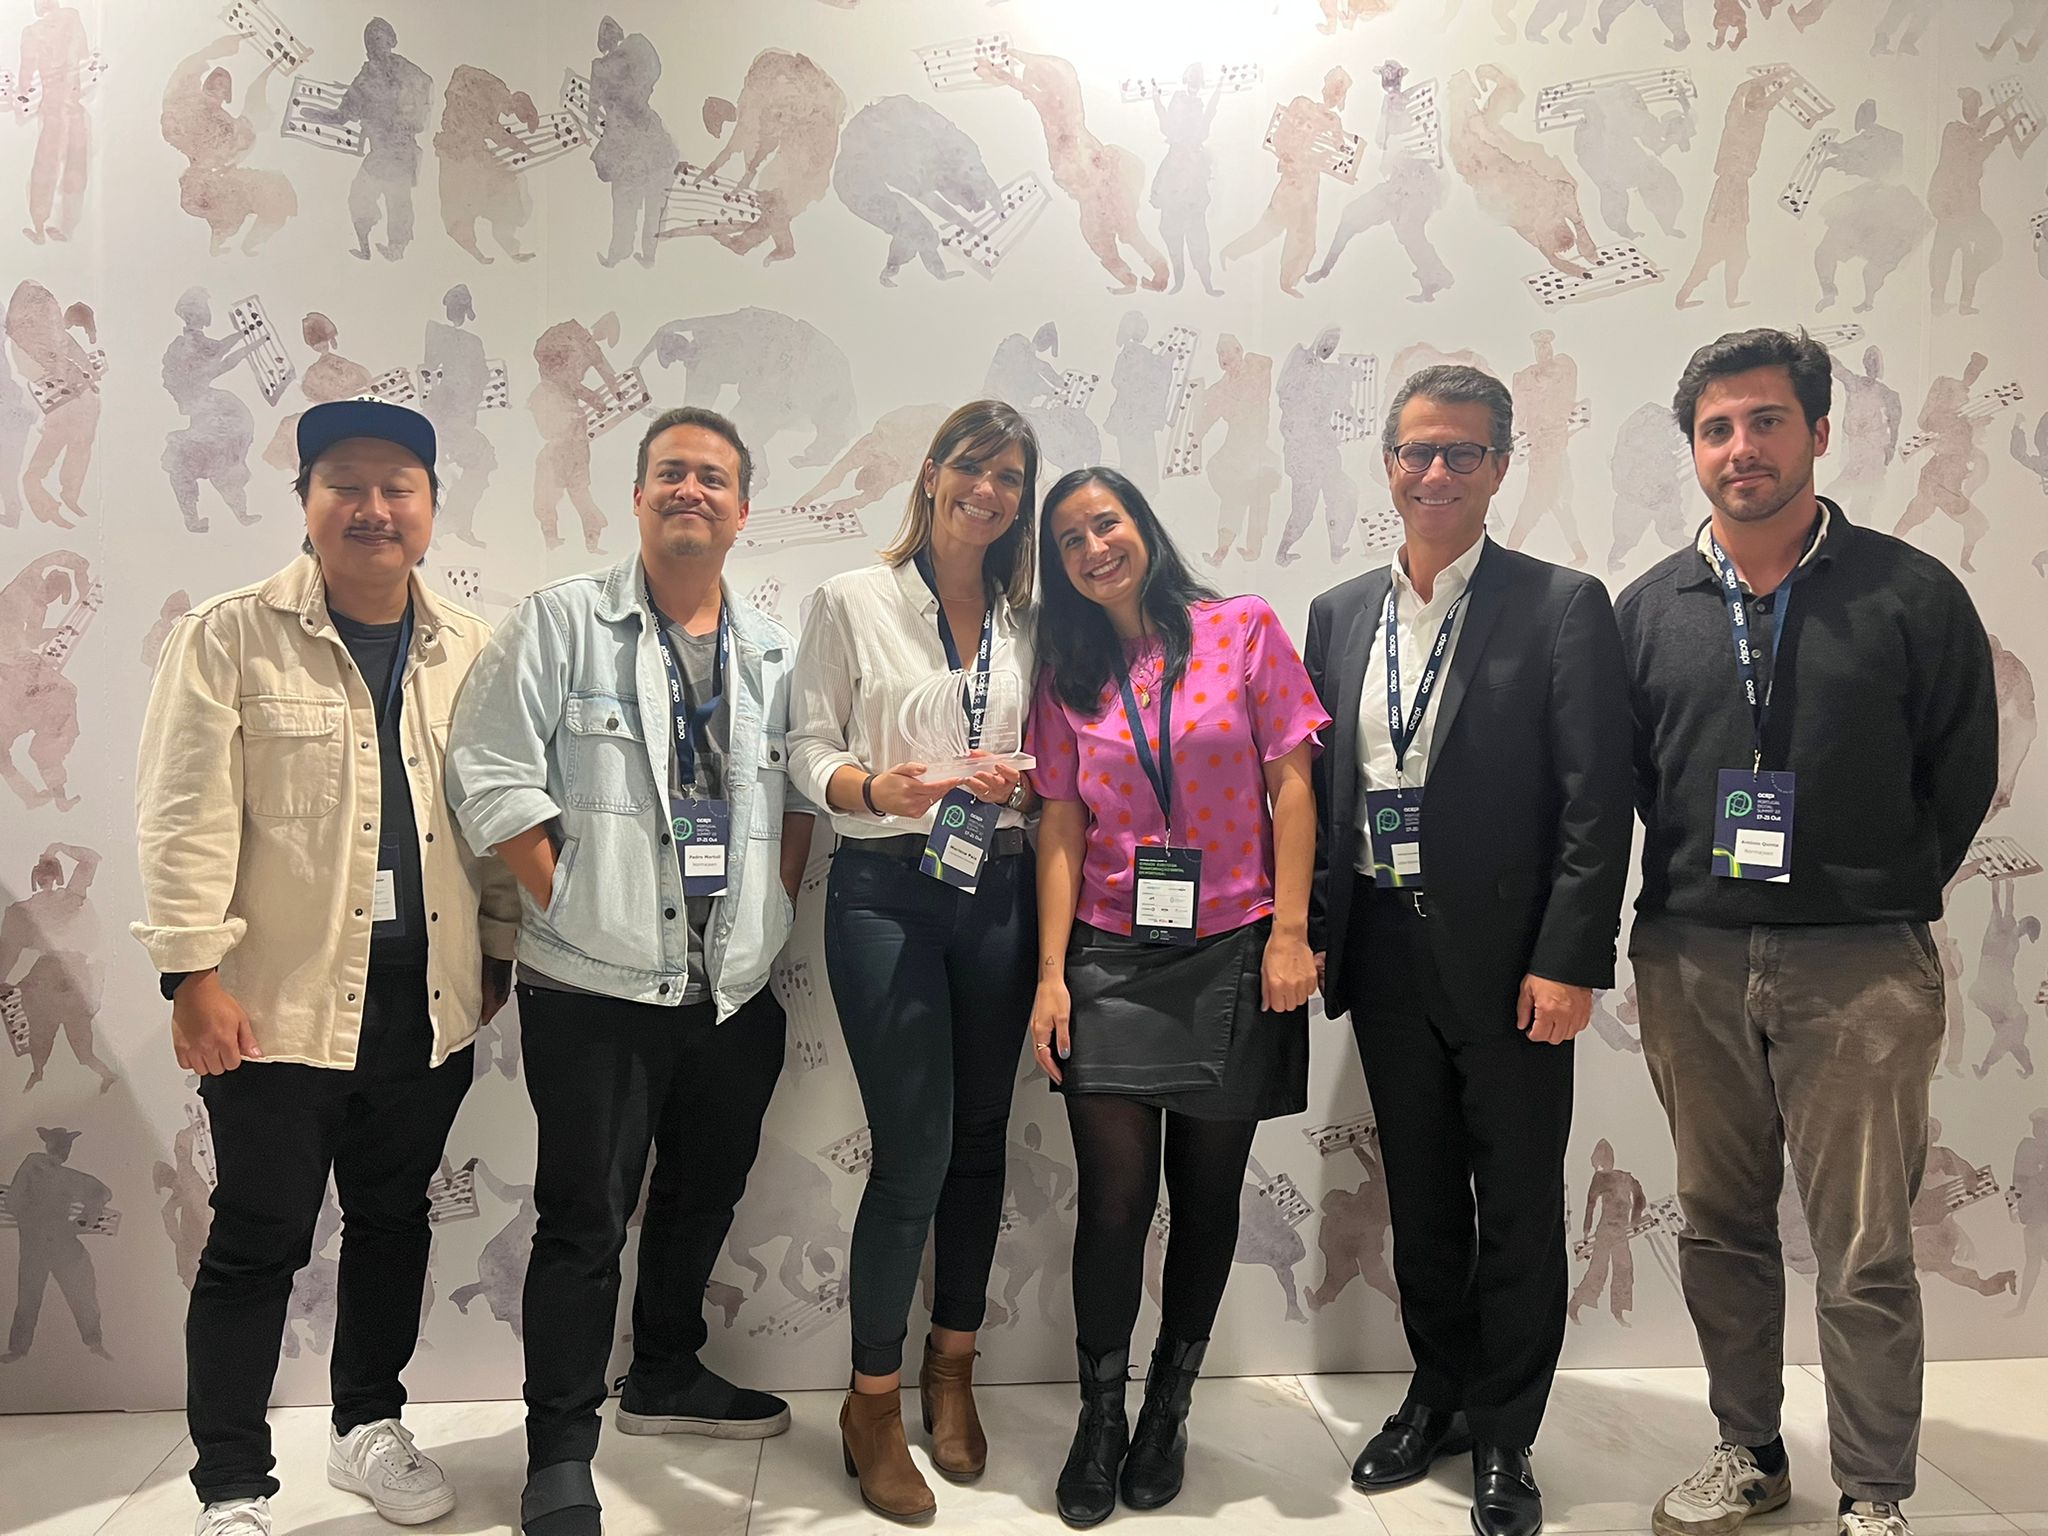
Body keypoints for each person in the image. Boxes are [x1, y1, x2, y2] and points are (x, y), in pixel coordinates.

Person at [1617, 329, 1998, 1536]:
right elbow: (1628, 782)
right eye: (1716, 429)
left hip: (1859, 964)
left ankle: (1873, 1490)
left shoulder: (1908, 593)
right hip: (1690, 958)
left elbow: (1958, 771)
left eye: (1766, 421)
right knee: (1717, 1227)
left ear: (1818, 432)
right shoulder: (1647, 609)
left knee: (1865, 1245)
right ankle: (1747, 1453)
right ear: (1692, 450)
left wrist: (1869, 886)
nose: (1741, 448)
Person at [131, 399, 520, 1536]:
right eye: (345, 484)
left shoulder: (472, 648)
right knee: (258, 1239)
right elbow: (183, 815)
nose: (373, 508)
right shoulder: (228, 636)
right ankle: (231, 1481)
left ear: (432, 508)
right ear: (305, 501)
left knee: (393, 1222)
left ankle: (367, 1428)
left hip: (424, 1002)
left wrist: (496, 948)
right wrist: (190, 976)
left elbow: (494, 814)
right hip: (275, 1006)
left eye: (399, 487)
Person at [445, 406, 815, 1536]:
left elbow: (798, 796)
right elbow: (489, 768)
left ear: (742, 511)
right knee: (583, 1223)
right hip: (594, 991)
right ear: (640, 496)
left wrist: (773, 904)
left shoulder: (772, 654)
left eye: (713, 477)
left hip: (731, 993)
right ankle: (558, 1452)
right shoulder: (563, 623)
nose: (690, 490)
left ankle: (663, 1372)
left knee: (704, 1194)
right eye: (671, 473)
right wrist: (563, 895)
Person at [1303, 364, 1633, 1536]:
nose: (1433, 472)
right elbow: (1322, 791)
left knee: (1519, 1207)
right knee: (1423, 1199)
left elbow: (1595, 804)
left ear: (1498, 466)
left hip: (1512, 965)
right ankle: (1434, 1395)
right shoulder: (1338, 612)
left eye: (1459, 452)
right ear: (1386, 463)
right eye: (1415, 451)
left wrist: (1569, 960)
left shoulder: (1560, 605)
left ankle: (1504, 1434)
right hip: (1382, 949)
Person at [1027, 466, 1328, 1527]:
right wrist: (1052, 975)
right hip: (1111, 952)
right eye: (1069, 540)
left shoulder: (1241, 629)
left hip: (1236, 943)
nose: (1093, 548)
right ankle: (1100, 1415)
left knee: (1205, 1196)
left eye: (1105, 524)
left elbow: (1294, 783)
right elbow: (1059, 823)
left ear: (1143, 527)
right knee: (1113, 1200)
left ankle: (1168, 1407)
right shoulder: (1066, 672)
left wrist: (1291, 933)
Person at [788, 400, 1042, 1521]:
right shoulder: (852, 599)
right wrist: (874, 787)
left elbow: (1055, 753)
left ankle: (953, 1370)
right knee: (913, 1154)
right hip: (885, 889)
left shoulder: (1030, 620)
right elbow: (806, 746)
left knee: (981, 1141)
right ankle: (872, 1403)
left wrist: (1027, 779)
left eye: (1010, 477)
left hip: (999, 887)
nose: (988, 491)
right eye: (972, 467)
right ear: (932, 473)